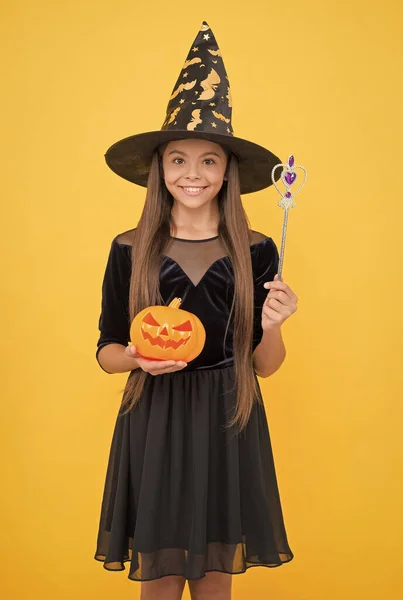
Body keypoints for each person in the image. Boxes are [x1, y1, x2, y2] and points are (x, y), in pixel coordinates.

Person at [94, 21, 297, 600]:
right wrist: (133, 356)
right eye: (178, 159)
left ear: (227, 172)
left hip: (228, 418)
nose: (192, 173)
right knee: (158, 577)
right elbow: (107, 349)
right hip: (153, 419)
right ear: (159, 168)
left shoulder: (256, 249)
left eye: (208, 161)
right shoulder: (129, 248)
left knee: (214, 580)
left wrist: (274, 325)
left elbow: (265, 366)